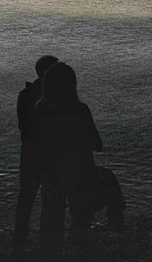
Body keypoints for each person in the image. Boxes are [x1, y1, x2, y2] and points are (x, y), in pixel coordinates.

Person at [35, 62, 106, 260]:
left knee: (51, 221)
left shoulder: (41, 109)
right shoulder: (80, 109)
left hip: (51, 174)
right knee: (81, 220)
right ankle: (83, 254)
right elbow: (97, 145)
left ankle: (51, 255)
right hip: (81, 172)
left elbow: (35, 144)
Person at [13, 54, 61, 251]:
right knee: (49, 200)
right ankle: (46, 243)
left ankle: (19, 243)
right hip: (45, 156)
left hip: (30, 154)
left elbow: (23, 128)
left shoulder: (25, 95)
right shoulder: (55, 98)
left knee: (26, 199)